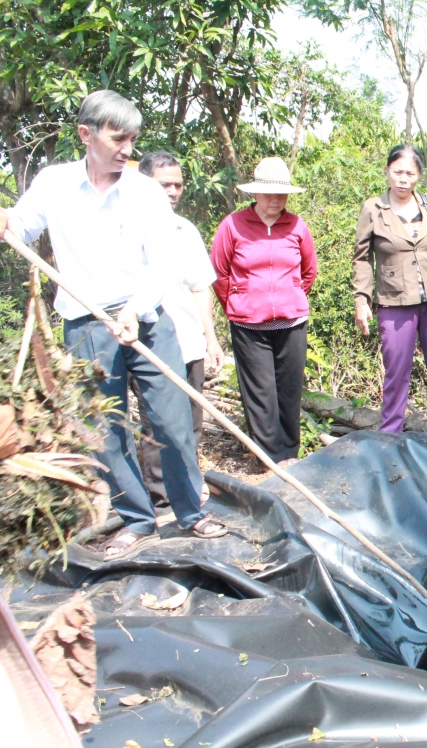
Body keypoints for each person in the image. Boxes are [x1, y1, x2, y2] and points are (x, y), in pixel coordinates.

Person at [0, 90, 226, 558]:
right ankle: (138, 519)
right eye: (118, 138)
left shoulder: (144, 192)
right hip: (85, 326)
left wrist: (135, 309)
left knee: (172, 419)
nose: (127, 149)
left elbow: (162, 260)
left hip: (145, 319)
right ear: (87, 134)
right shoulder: (53, 184)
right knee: (105, 430)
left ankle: (191, 513)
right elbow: (20, 228)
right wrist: (7, 222)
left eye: (133, 139)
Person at [129, 152, 224, 507]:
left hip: (188, 339)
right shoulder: (126, 228)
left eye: (178, 184)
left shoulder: (186, 231)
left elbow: (201, 287)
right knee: (158, 424)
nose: (172, 191)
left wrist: (210, 339)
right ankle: (162, 496)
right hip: (149, 342)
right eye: (163, 184)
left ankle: (188, 484)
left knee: (191, 421)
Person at [211, 157, 317, 465]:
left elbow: (308, 272)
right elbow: (220, 273)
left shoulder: (297, 226)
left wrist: (289, 298)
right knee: (260, 396)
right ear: (254, 193)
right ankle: (269, 461)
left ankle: (290, 457)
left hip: (291, 322)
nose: (275, 200)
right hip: (249, 326)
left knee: (288, 391)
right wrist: (239, 302)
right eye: (268, 193)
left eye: (281, 194)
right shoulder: (233, 225)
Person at [352, 145, 427, 433]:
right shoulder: (372, 209)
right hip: (394, 302)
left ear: (419, 176)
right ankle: (391, 435)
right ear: (387, 172)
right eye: (397, 171)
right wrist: (361, 300)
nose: (403, 179)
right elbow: (362, 258)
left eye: (410, 173)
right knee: (397, 371)